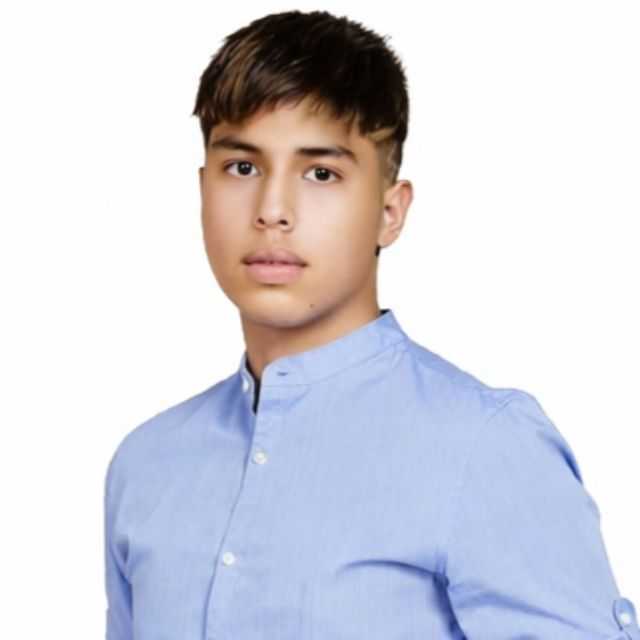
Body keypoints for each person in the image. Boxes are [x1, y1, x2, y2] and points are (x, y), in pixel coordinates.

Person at [103, 9, 639, 639]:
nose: (272, 210)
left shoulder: (483, 447)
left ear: (390, 212)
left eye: (321, 173)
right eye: (242, 167)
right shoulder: (147, 465)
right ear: (203, 190)